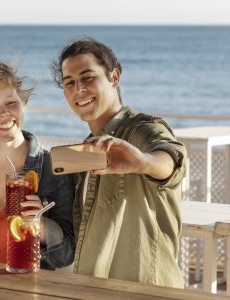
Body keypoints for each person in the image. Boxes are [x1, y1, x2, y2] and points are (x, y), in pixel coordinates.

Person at [52, 38, 187, 287]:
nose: (78, 89)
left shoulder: (142, 129)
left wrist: (143, 163)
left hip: (146, 291)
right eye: (69, 83)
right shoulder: (88, 149)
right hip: (96, 289)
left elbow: (171, 161)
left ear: (114, 77)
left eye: (88, 77)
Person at [0, 61, 75, 269]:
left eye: (11, 103)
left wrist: (42, 226)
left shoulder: (54, 170)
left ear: (23, 104)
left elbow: (67, 255)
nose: (4, 113)